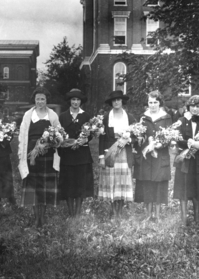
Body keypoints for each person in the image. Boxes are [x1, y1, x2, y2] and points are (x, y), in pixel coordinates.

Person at [18, 87, 61, 227]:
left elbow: (60, 134)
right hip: (32, 155)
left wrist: (53, 141)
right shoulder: (28, 115)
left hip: (47, 155)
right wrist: (22, 154)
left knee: (45, 188)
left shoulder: (52, 115)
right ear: (34, 100)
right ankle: (36, 217)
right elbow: (22, 135)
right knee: (34, 187)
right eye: (38, 99)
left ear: (47, 100)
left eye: (43, 99)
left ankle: (43, 217)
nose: (40, 101)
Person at [173, 95, 199, 226]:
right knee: (184, 188)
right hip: (185, 160)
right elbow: (177, 138)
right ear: (188, 107)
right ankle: (184, 218)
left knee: (198, 188)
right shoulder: (181, 120)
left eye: (198, 106)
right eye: (192, 106)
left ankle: (197, 218)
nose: (195, 109)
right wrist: (190, 143)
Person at [98, 90, 136, 221]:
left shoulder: (129, 117)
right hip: (110, 153)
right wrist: (102, 157)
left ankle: (119, 211)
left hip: (124, 154)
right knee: (112, 182)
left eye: (118, 100)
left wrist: (128, 139)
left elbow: (137, 136)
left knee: (121, 183)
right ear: (111, 102)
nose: (116, 102)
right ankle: (113, 211)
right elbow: (102, 139)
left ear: (122, 101)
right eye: (114, 100)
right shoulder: (106, 118)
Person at [134, 91, 172, 221]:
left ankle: (157, 215)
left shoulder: (166, 118)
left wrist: (158, 145)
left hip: (160, 156)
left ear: (160, 103)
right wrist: (139, 139)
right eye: (150, 102)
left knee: (159, 185)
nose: (153, 105)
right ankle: (148, 214)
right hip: (146, 157)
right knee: (147, 184)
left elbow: (169, 136)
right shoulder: (143, 118)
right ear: (148, 103)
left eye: (155, 102)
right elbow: (139, 135)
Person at [58, 89, 94, 218]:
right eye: (73, 99)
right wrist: (66, 141)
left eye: (78, 100)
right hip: (67, 155)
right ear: (70, 101)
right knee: (69, 183)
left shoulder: (86, 116)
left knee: (80, 183)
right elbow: (59, 134)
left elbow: (91, 134)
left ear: (81, 102)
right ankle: (71, 212)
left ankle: (78, 212)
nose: (75, 102)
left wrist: (85, 139)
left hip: (82, 155)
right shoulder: (62, 116)